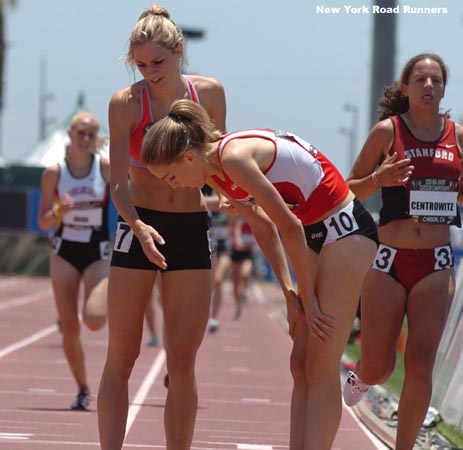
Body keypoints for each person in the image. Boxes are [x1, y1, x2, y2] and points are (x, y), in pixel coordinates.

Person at [141, 98, 379, 450]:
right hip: (316, 232)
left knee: (321, 364)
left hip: (346, 231)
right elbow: (263, 226)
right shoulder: (214, 171)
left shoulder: (233, 159)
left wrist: (308, 298)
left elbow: (290, 226)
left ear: (189, 156)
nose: (174, 186)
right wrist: (289, 293)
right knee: (300, 363)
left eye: (172, 176)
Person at [96, 5, 227, 450]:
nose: (151, 72)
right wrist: (136, 225)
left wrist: (234, 198)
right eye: (142, 64)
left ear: (179, 51)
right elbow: (117, 182)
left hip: (190, 227)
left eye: (159, 62)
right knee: (123, 355)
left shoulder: (208, 95)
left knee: (183, 361)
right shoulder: (125, 103)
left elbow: (221, 166)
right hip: (139, 222)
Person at [342, 53, 463, 450]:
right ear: (407, 88)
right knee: (379, 368)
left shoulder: (458, 138)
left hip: (436, 264)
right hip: (388, 262)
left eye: (436, 80)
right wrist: (380, 178)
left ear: (444, 88)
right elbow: (346, 191)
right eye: (421, 79)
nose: (429, 86)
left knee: (420, 364)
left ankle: (404, 447)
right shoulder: (386, 132)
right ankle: (360, 373)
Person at [37, 111, 110, 410]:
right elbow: (42, 221)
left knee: (93, 320)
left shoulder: (104, 168)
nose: (85, 139)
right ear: (69, 134)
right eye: (81, 133)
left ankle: (107, 298)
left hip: (97, 251)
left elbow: (129, 194)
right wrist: (58, 212)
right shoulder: (54, 173)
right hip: (64, 251)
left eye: (91, 134)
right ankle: (82, 388)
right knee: (70, 327)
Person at [229, 215, 255, 320]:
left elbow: (255, 238)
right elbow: (235, 235)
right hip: (235, 254)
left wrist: (246, 246)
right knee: (235, 285)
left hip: (247, 253)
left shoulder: (252, 222)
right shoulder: (236, 222)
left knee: (245, 273)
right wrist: (238, 241)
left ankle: (245, 290)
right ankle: (238, 306)